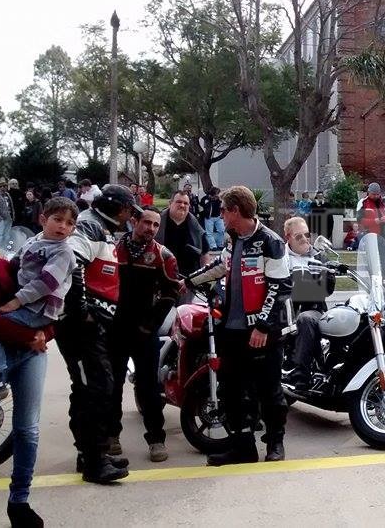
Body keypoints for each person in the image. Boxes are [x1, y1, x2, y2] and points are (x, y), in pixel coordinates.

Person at [187, 186, 290, 465]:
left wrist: (263, 327)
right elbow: (220, 266)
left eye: (223, 210)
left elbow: (280, 287)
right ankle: (243, 448)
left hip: (263, 332)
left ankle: (275, 443)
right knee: (232, 390)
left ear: (235, 211)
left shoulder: (270, 241)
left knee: (269, 390)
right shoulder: (232, 239)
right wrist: (188, 281)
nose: (220, 215)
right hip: (232, 331)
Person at [0, 203, 51, 527]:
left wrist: (45, 334)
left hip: (28, 355)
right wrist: (30, 336)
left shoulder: (8, 266)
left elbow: (46, 305)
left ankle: (19, 502)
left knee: (27, 431)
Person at [55, 185, 140, 484]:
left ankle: (92, 453)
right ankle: (94, 461)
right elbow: (72, 261)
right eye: (129, 210)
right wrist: (82, 312)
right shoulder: (90, 225)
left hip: (90, 326)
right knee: (95, 388)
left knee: (90, 388)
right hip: (80, 328)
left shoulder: (99, 226)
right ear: (118, 207)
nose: (130, 217)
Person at [0, 197, 76, 408]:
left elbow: (46, 291)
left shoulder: (3, 264)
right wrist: (31, 337)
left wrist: (45, 333)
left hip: (28, 346)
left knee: (28, 422)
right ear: (43, 220)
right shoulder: (33, 244)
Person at [109, 207, 180, 464]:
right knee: (112, 385)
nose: (151, 228)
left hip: (145, 331)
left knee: (149, 387)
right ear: (134, 221)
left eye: (155, 225)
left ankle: (156, 439)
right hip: (115, 328)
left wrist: (149, 325)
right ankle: (111, 437)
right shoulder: (113, 250)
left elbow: (171, 293)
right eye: (147, 222)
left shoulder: (163, 255)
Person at [282, 216, 336, 391]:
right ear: (288, 237)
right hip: (285, 311)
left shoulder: (318, 256)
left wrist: (329, 274)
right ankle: (298, 374)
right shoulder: (281, 257)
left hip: (313, 310)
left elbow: (327, 290)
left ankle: (316, 373)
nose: (305, 239)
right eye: (299, 236)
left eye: (307, 235)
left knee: (308, 319)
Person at [155, 191, 211, 304]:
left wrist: (205, 278)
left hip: (187, 282)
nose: (182, 205)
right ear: (170, 203)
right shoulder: (156, 224)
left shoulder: (197, 228)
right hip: (161, 280)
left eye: (186, 203)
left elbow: (204, 253)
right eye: (179, 202)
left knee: (184, 312)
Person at [200, 187, 225, 251]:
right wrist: (203, 215)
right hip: (209, 218)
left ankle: (220, 244)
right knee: (209, 232)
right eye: (216, 195)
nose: (217, 196)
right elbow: (201, 207)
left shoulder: (220, 199)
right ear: (212, 194)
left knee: (222, 230)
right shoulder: (205, 199)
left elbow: (223, 206)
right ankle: (213, 246)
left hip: (218, 217)